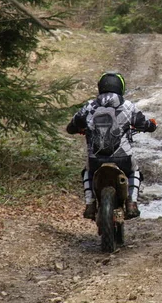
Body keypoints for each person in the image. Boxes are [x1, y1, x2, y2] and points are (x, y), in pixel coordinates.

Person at [66, 72, 157, 220]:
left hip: (95, 159)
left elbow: (71, 127)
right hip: (123, 158)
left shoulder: (89, 106)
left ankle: (90, 204)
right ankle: (132, 203)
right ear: (121, 88)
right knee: (135, 171)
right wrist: (151, 125)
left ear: (100, 87)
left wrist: (81, 129)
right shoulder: (127, 106)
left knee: (87, 172)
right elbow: (145, 124)